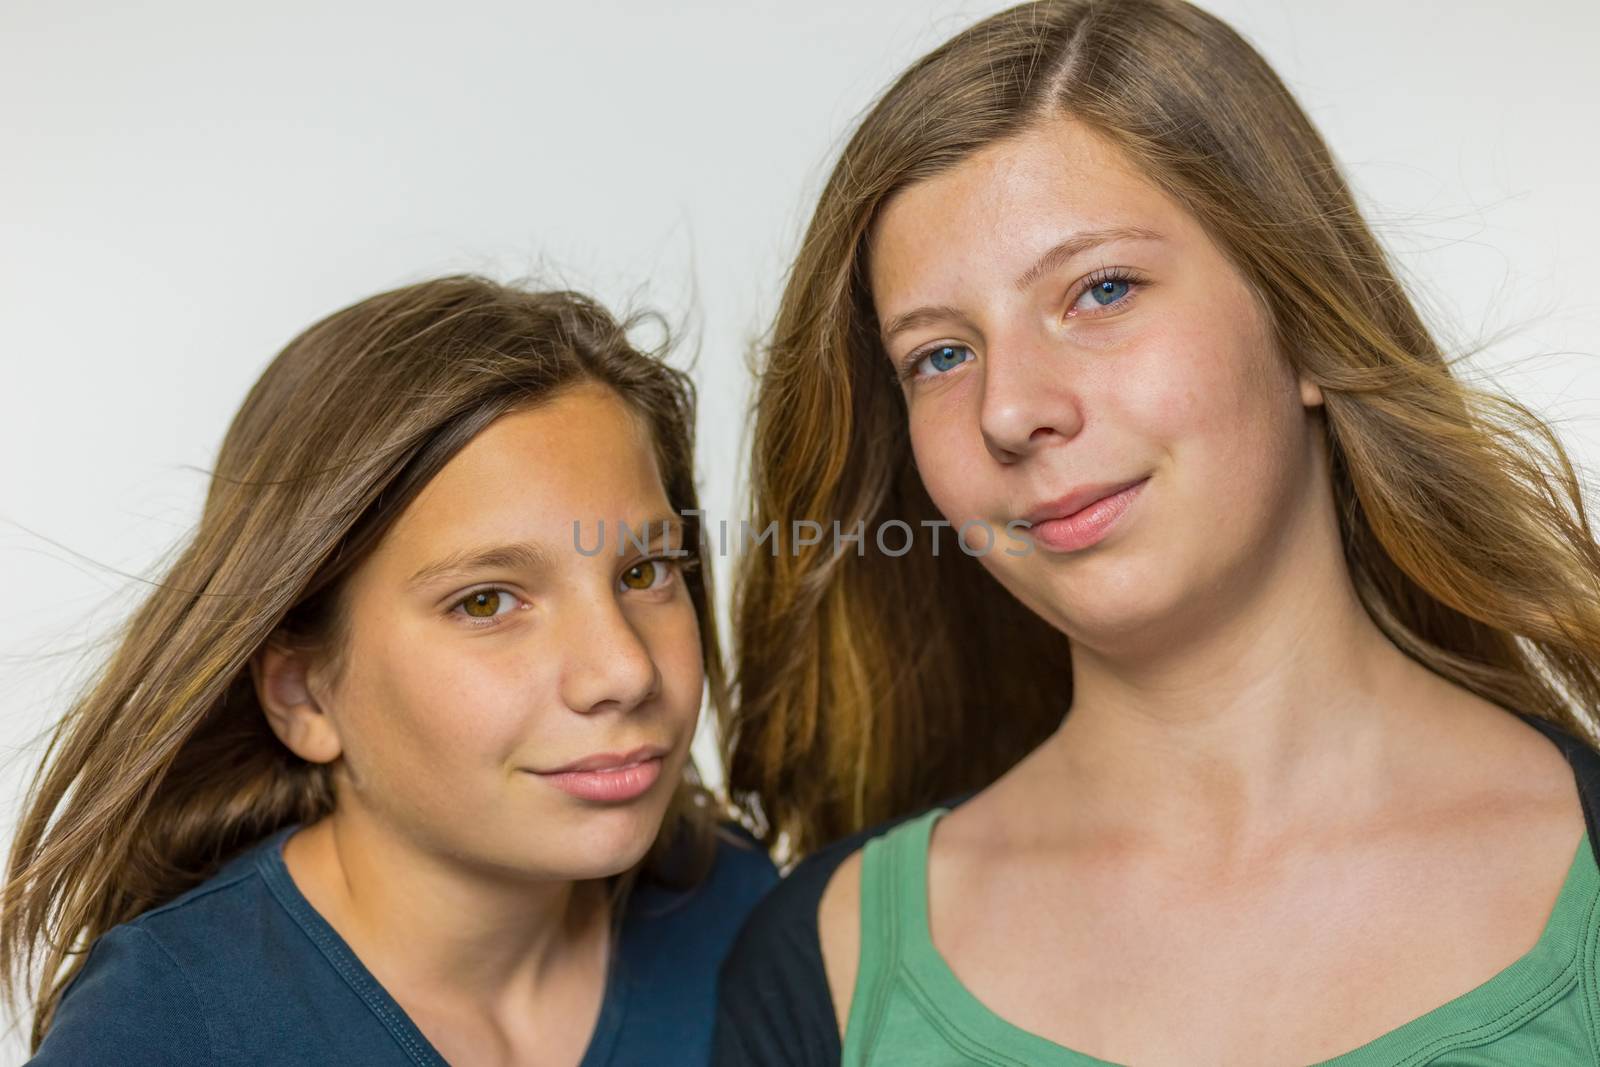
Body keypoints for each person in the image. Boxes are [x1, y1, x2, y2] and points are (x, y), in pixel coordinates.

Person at [715, 1, 1600, 1063]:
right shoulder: (819, 958)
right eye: (940, 355)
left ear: (1305, 320)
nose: (1009, 409)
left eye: (1100, 290)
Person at [1, 276, 776, 1065]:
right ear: (303, 693)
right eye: (485, 601)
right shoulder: (161, 1027)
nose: (624, 669)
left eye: (645, 573)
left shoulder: (743, 912)